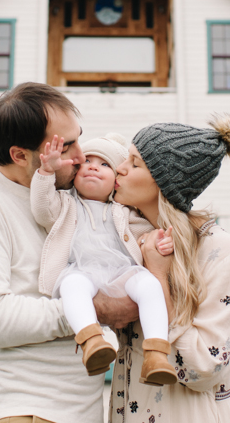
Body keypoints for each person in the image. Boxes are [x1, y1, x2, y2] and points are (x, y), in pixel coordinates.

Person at [0, 82, 137, 423]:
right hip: (23, 411)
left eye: (79, 137)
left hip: (83, 410)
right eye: (66, 147)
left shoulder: (74, 200)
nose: (80, 156)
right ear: (20, 155)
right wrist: (93, 310)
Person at [109, 115, 230, 423]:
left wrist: (159, 278)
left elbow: (204, 367)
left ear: (164, 182)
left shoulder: (222, 252)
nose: (120, 168)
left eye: (134, 164)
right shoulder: (131, 243)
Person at [31, 133, 177, 385]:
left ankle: (156, 354)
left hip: (122, 273)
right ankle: (92, 342)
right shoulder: (66, 204)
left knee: (149, 285)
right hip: (83, 271)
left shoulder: (122, 211)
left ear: (116, 182)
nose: (93, 167)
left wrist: (161, 242)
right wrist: (46, 172)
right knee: (72, 287)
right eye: (87, 160)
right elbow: (42, 209)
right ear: (75, 174)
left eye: (105, 164)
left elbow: (145, 236)